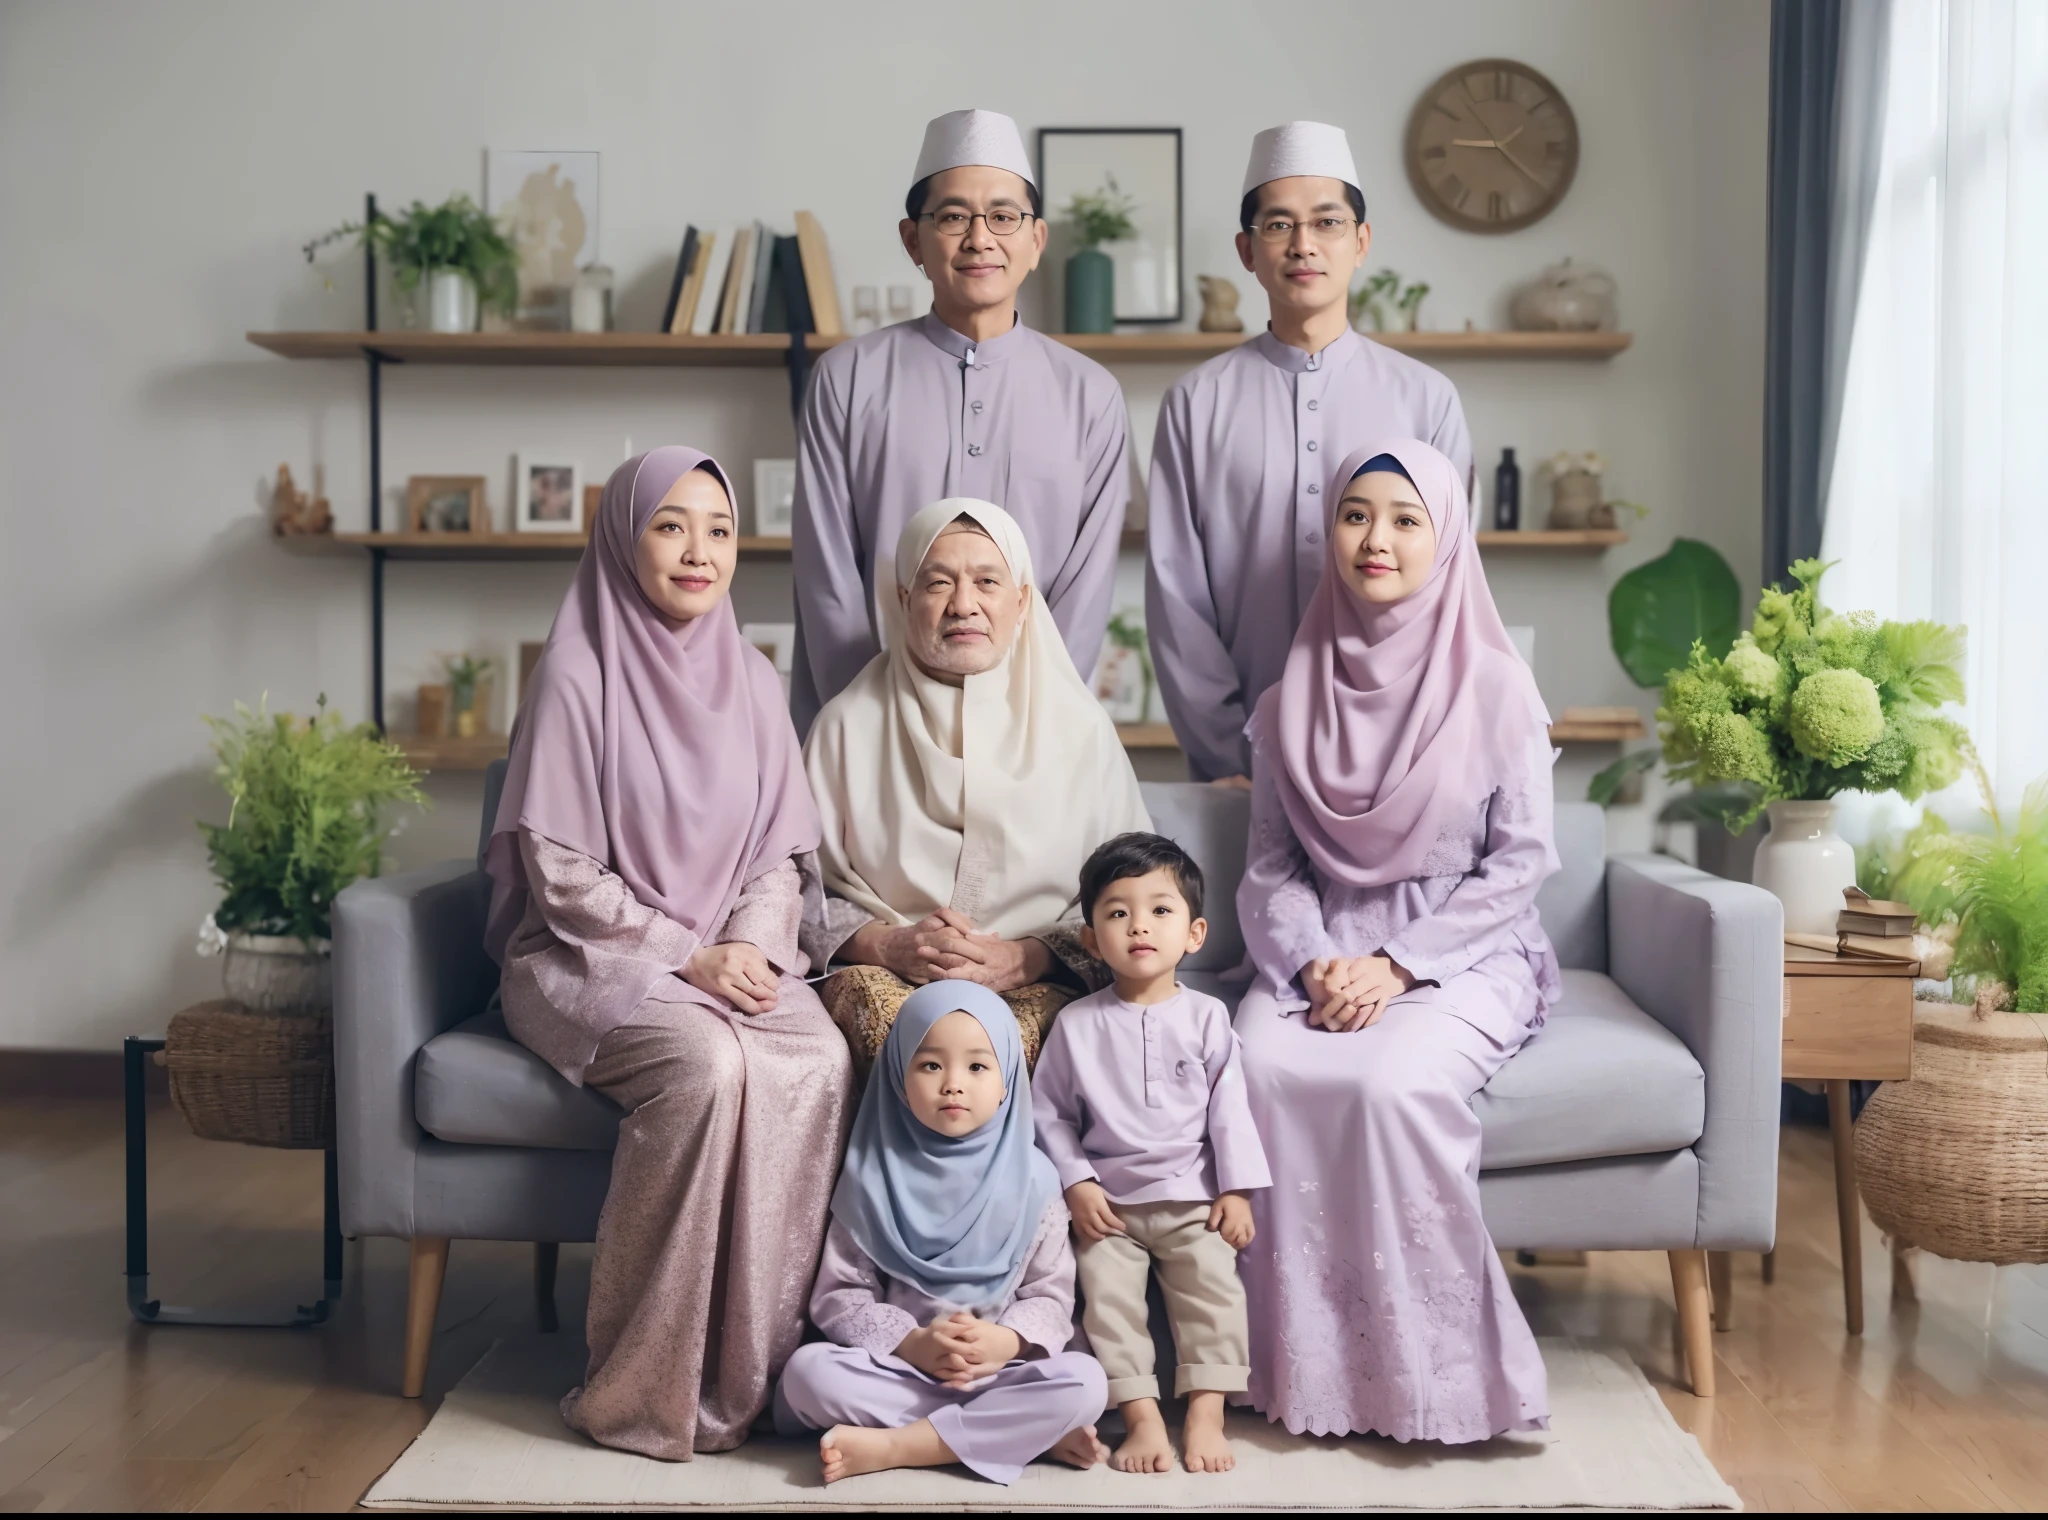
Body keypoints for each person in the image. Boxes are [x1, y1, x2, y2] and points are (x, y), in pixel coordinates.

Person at [484, 447, 853, 1460]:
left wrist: (741, 941)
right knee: (705, 1064)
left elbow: (779, 855)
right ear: (622, 537)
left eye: (719, 528)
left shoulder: (754, 675)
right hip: (588, 957)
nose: (699, 550)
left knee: (818, 1059)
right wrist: (687, 955)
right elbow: (557, 873)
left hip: (731, 953)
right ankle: (636, 1387)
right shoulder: (575, 670)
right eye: (671, 525)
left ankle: (752, 1374)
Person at [1234, 440, 1559, 1444]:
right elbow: (1270, 867)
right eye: (1355, 514)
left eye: (1405, 518)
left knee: (1390, 1085)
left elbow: (1518, 864)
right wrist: (1313, 960)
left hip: (1462, 950)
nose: (1375, 539)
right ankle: (1303, 1372)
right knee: (1249, 1067)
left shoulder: (1498, 690)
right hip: (1320, 948)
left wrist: (1396, 964)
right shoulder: (1289, 700)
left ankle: (1439, 1382)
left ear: (1445, 535)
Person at [1145, 122, 1474, 784]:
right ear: (1246, 249)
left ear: (1361, 241)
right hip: (1237, 767)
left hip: (1394, 759)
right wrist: (1225, 756)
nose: (1303, 245)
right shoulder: (1193, 403)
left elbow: (1449, 587)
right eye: (1278, 226)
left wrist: (1404, 743)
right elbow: (1177, 599)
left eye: (1326, 222)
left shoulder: (1426, 399)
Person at [791, 107, 1129, 732]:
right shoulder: (846, 379)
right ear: (912, 240)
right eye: (952, 217)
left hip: (1036, 737)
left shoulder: (1092, 396)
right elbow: (827, 581)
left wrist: (1036, 723)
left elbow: (1084, 598)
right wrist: (877, 729)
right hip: (873, 734)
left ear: (1036, 240)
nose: (980, 238)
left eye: (1003, 216)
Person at [801, 497, 1150, 1072]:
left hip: (1039, 983)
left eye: (988, 581)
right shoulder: (845, 724)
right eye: (938, 583)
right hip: (882, 976)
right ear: (903, 599)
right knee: (911, 1042)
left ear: (1021, 600)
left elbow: (1138, 891)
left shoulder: (1081, 730)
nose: (964, 605)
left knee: (1009, 1050)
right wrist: (887, 945)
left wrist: (1027, 958)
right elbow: (791, 889)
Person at [775, 980, 1111, 1485]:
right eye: (930, 1064)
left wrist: (1005, 1342)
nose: (953, 1083)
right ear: (897, 1075)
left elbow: (1050, 1293)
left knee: (1087, 1383)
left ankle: (896, 1446)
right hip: (902, 1372)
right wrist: (912, 1344)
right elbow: (842, 1296)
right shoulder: (871, 1174)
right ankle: (1019, 1435)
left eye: (978, 1066)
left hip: (1001, 1375)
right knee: (808, 1375)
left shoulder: (1036, 1178)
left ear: (1008, 1081)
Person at [1033, 833, 1271, 1475]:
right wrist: (1078, 1183)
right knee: (1108, 1305)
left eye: (1160, 910)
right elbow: (1047, 1113)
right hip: (1108, 1208)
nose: (1139, 925)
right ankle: (1140, 1419)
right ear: (1091, 940)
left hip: (1194, 1199)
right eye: (1117, 912)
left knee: (1215, 1296)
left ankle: (1206, 1412)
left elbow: (1230, 1108)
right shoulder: (1077, 1024)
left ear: (1194, 933)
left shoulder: (1209, 1018)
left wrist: (1237, 1189)